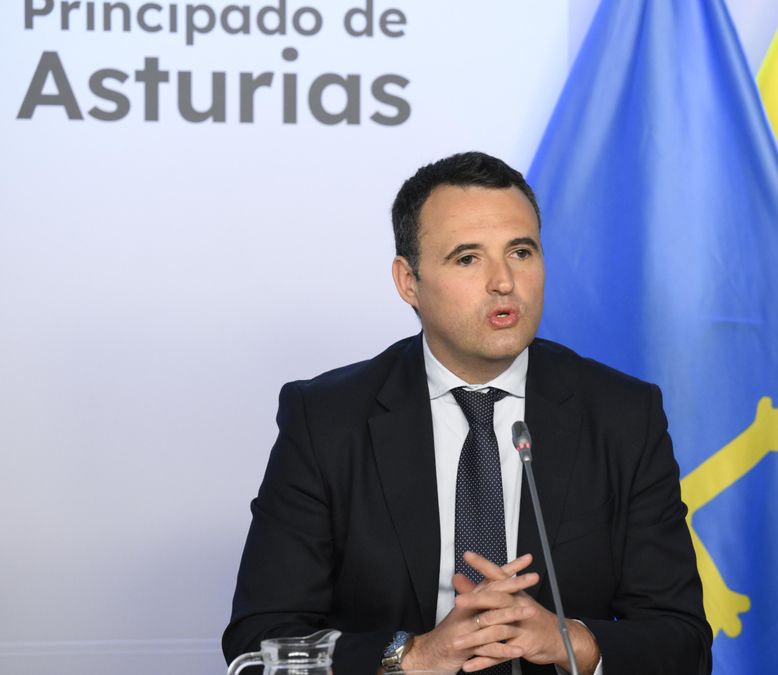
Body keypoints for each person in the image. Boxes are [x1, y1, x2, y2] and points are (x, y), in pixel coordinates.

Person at [222, 151, 711, 674]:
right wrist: (412, 656)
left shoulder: (622, 416)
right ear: (408, 282)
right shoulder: (325, 420)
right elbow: (260, 645)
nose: (504, 282)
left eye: (521, 252)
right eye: (467, 258)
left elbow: (682, 642)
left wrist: (571, 640)